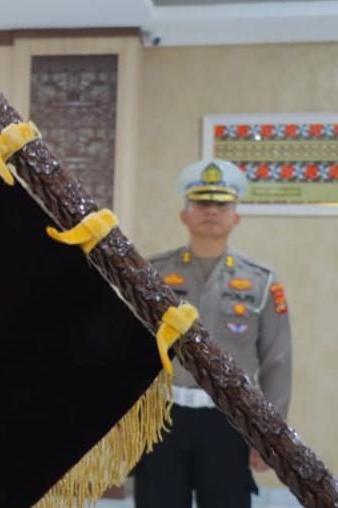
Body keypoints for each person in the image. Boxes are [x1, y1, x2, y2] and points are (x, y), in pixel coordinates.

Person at [135, 158, 293, 508]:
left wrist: (271, 435)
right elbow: (131, 348)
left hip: (230, 420)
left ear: (235, 217)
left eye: (222, 204)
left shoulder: (261, 281)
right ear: (185, 214)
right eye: (201, 202)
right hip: (162, 419)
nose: (211, 210)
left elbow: (277, 361)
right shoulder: (152, 273)